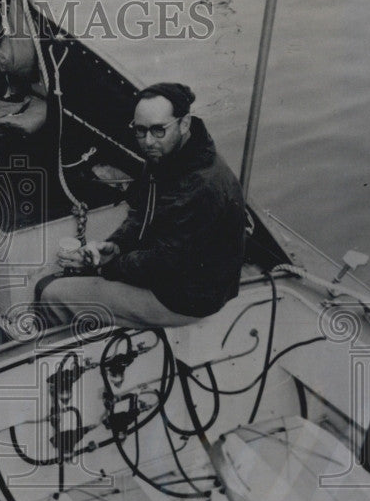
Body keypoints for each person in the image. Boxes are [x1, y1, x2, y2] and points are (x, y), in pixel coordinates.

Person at [40, 83, 246, 330]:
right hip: (177, 277)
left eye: (159, 130)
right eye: (140, 131)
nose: (148, 141)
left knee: (50, 294)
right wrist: (116, 245)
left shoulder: (201, 184)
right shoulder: (168, 154)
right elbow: (140, 212)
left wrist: (105, 266)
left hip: (186, 298)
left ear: (184, 123)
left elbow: (164, 263)